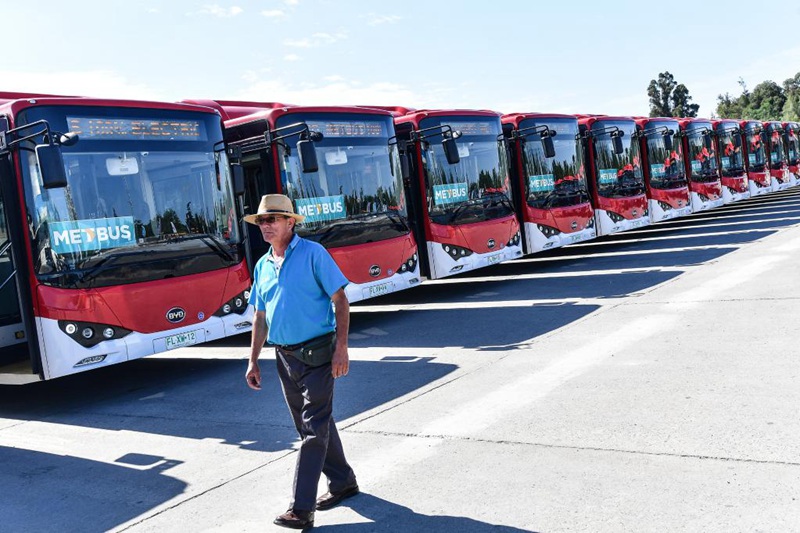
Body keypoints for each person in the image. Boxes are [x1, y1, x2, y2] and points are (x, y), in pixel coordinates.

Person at [244, 194, 359, 530]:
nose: (266, 226)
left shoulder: (313, 254)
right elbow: (260, 317)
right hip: (284, 357)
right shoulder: (262, 265)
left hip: (318, 353)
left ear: (290, 222)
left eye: (273, 219)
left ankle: (301, 508)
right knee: (315, 425)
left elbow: (341, 300)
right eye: (262, 221)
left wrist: (342, 347)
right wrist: (253, 360)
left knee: (313, 429)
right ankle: (343, 482)